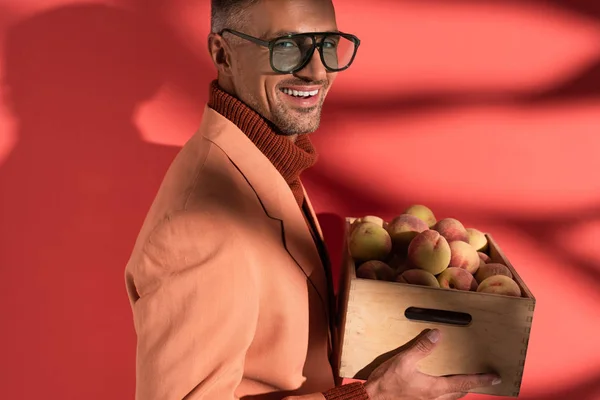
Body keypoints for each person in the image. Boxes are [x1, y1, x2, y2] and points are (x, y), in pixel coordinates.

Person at [124, 0, 502, 399]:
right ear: (223, 54)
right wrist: (376, 396)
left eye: (328, 44)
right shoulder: (201, 225)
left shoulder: (265, 163)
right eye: (287, 45)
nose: (317, 70)